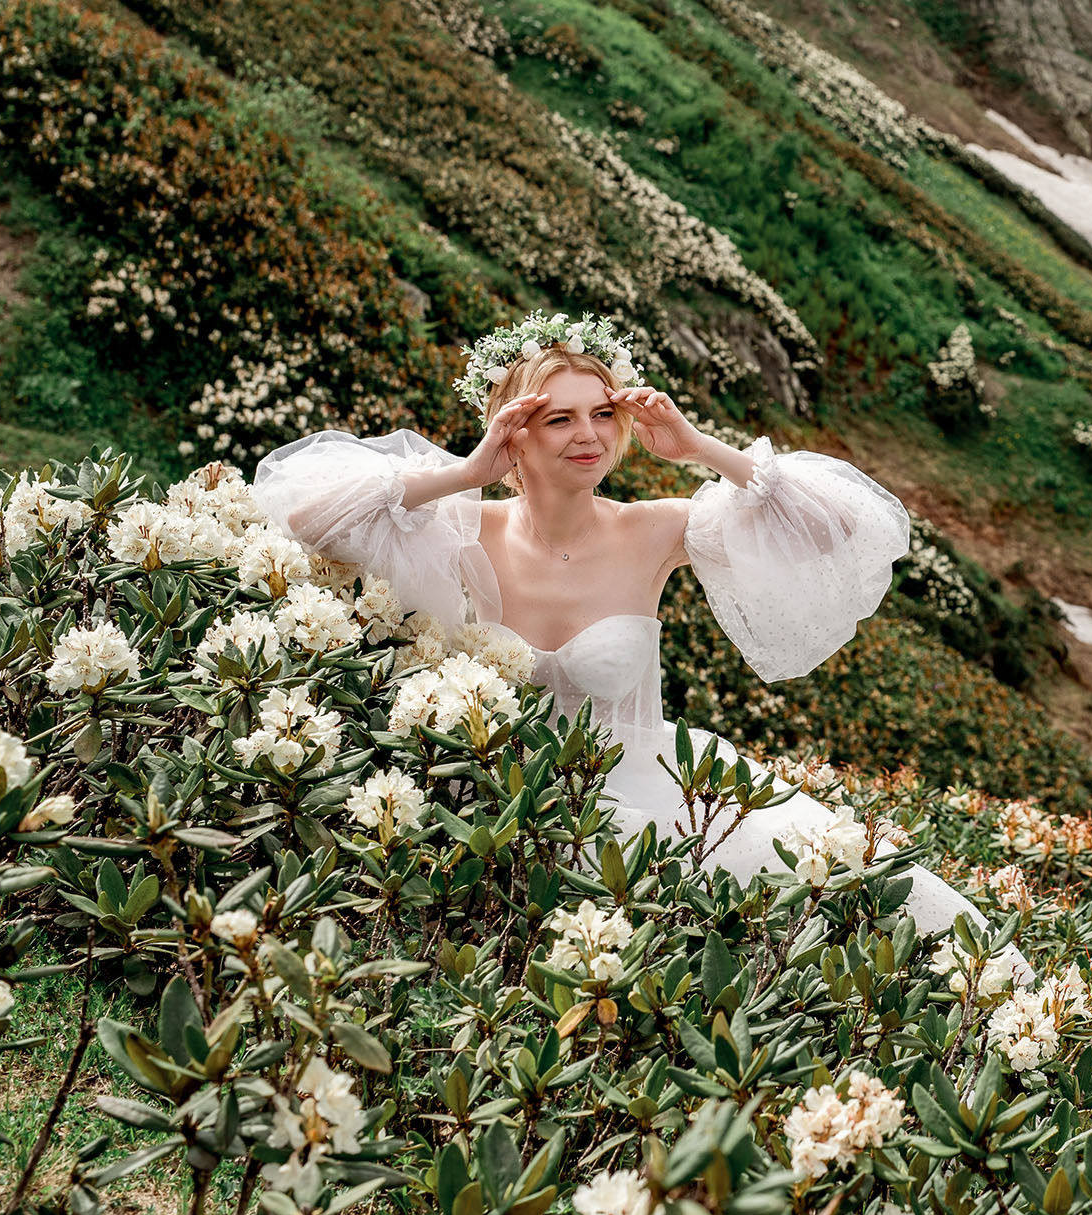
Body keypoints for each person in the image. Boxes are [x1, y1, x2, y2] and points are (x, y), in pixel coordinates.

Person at [250, 311, 984, 935]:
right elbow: (307, 520)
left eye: (603, 414)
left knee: (852, 890)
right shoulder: (463, 522)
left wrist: (698, 447)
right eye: (558, 418)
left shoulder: (656, 528)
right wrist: (466, 473)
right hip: (492, 798)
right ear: (515, 433)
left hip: (648, 789)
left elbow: (838, 528)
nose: (588, 435)